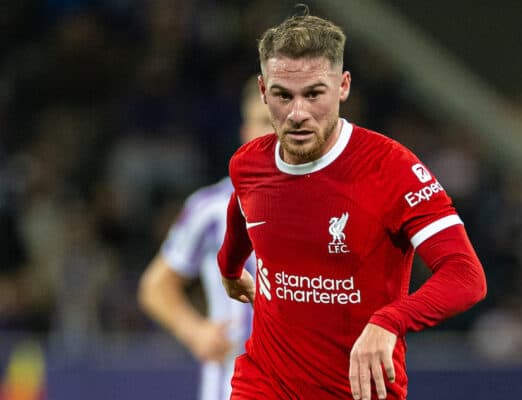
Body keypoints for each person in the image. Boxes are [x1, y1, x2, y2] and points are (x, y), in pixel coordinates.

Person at [217, 11, 487, 400]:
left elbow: (466, 276)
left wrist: (390, 320)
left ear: (343, 86)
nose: (297, 114)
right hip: (264, 384)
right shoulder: (249, 164)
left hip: (359, 391)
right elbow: (241, 213)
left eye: (313, 94)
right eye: (282, 95)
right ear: (262, 91)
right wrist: (228, 267)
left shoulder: (391, 168)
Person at [137, 77, 272, 400]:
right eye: (263, 121)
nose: (272, 132)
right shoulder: (212, 209)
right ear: (245, 132)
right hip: (230, 388)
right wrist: (195, 332)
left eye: (279, 120)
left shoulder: (326, 207)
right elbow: (155, 287)